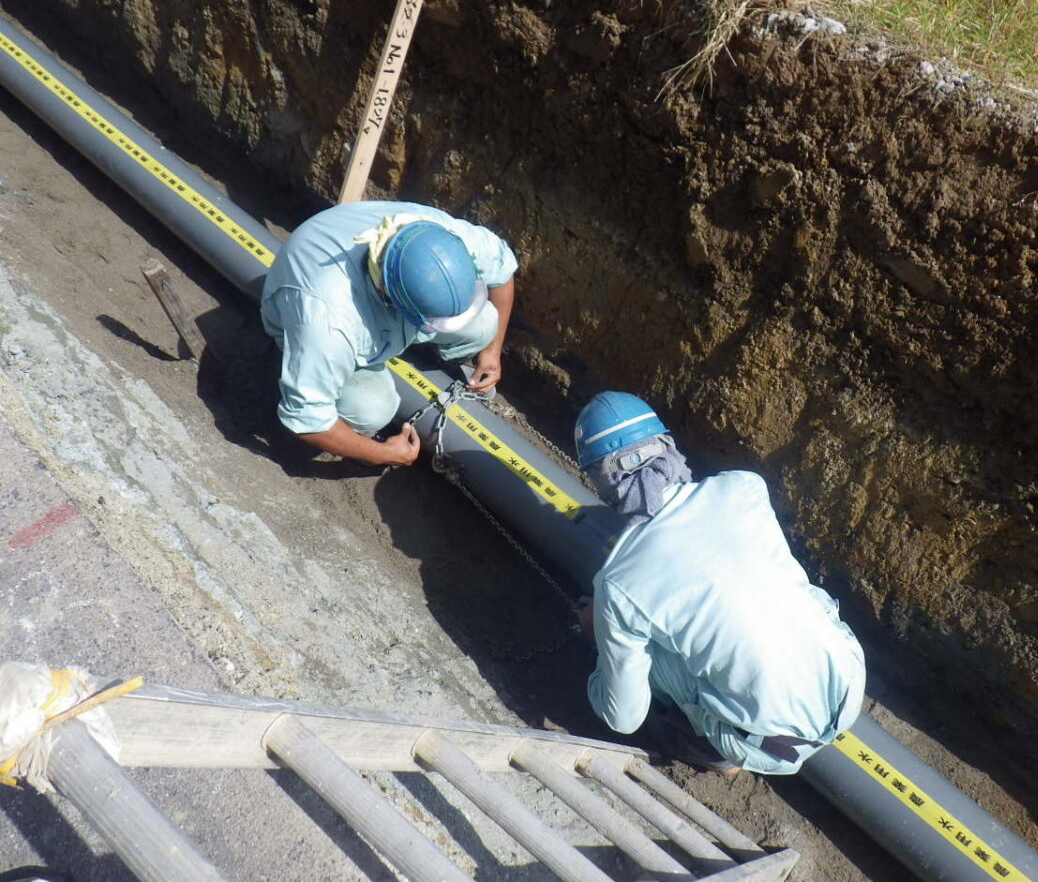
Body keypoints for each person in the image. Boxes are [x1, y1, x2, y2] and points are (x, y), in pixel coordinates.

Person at [575, 392, 866, 774]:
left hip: (772, 748)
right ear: (667, 445)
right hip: (849, 688)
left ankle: (720, 754)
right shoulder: (745, 487)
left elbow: (623, 717)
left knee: (648, 660)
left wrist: (598, 639)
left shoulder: (618, 582)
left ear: (601, 479)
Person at [261, 200, 517, 467]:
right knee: (371, 409)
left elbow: (503, 271)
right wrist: (383, 453)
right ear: (392, 300)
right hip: (310, 305)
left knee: (485, 323)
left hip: (377, 301)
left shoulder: (447, 242)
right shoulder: (328, 322)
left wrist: (492, 352)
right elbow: (307, 419)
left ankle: (407, 343)